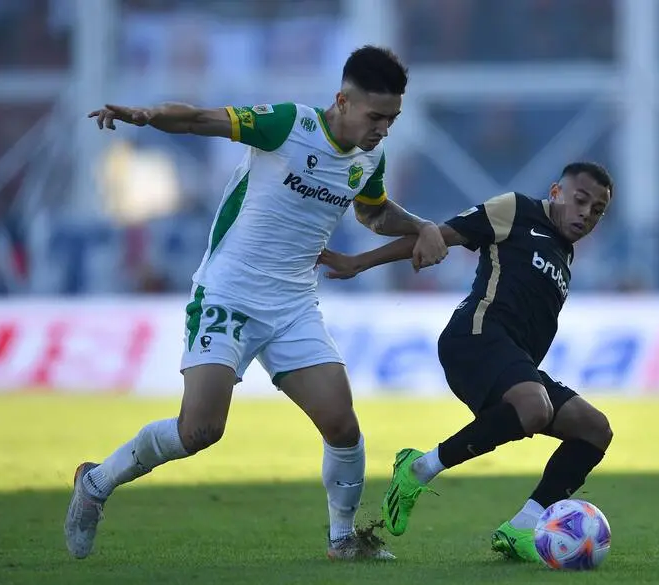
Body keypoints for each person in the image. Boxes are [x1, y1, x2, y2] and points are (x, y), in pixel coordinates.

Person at [65, 45, 448, 561]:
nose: (384, 129)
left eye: (393, 118)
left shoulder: (369, 156)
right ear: (343, 100)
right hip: (228, 292)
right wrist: (147, 116)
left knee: (343, 425)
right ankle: (96, 482)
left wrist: (422, 225)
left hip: (293, 303)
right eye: (377, 116)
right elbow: (204, 119)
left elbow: (374, 215)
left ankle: (342, 540)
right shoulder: (290, 124)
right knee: (200, 430)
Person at [317, 162, 614, 562]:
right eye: (580, 200)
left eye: (597, 210)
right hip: (473, 338)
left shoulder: (564, 251)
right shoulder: (516, 209)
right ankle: (417, 470)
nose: (586, 214)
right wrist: (359, 262)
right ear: (556, 191)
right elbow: (437, 235)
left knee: (595, 429)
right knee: (534, 406)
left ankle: (523, 526)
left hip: (514, 361)